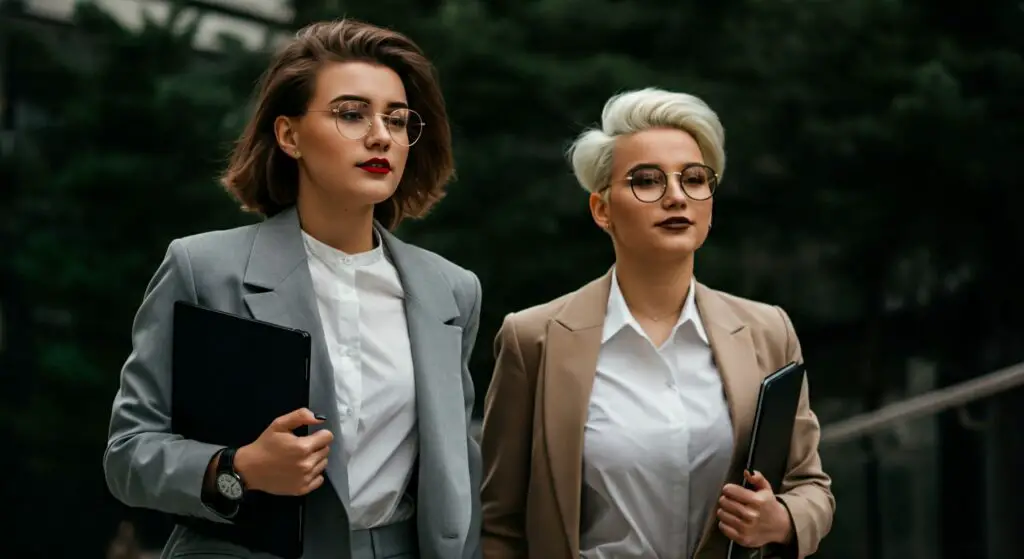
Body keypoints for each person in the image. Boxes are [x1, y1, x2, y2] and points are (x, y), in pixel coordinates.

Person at [103, 19, 483, 559]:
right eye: (352, 114)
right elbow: (128, 455)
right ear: (289, 135)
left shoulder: (452, 291)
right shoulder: (203, 268)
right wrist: (238, 470)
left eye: (397, 120)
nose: (381, 135)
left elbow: (457, 470)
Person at [479, 88, 834, 559]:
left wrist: (782, 520)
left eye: (694, 179)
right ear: (601, 209)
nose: (675, 196)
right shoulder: (533, 339)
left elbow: (811, 486)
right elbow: (500, 522)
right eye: (646, 181)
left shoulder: (768, 331)